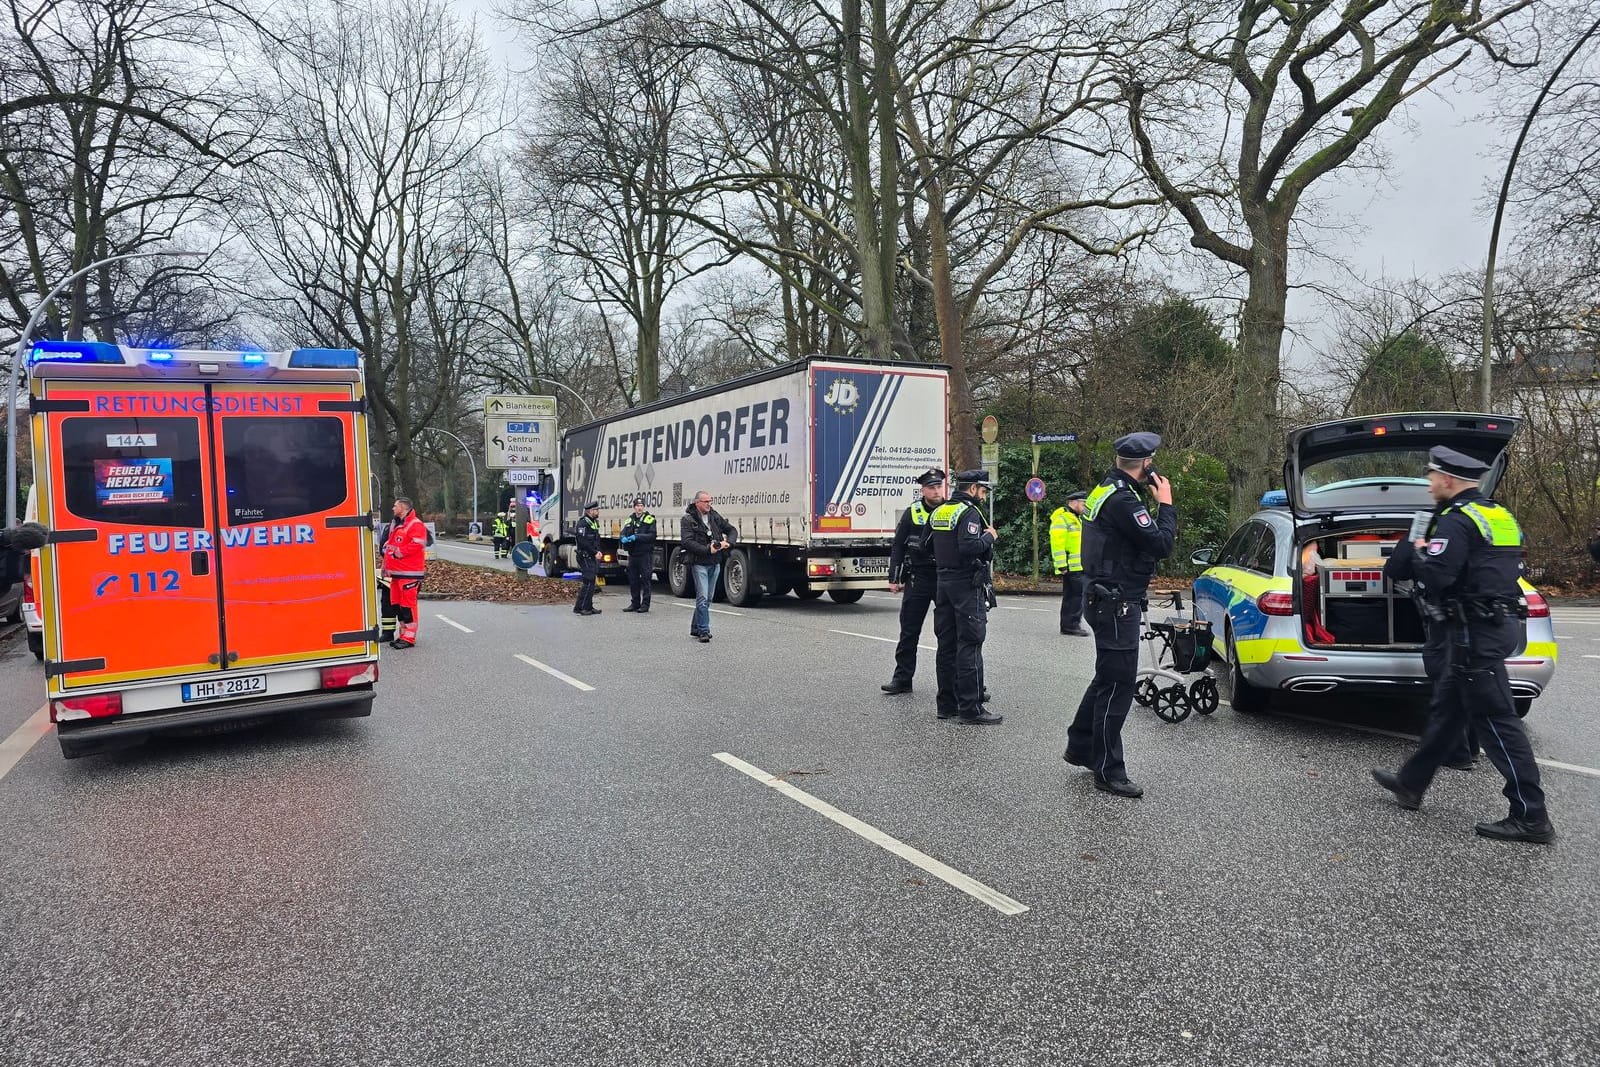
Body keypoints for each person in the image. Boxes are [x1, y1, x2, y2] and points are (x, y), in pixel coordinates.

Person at [1371, 446, 1555, 844]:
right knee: (1448, 711)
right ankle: (1410, 783)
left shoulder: (1455, 521)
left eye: (1432, 477)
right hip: (1496, 624)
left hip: (1474, 632)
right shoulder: (1498, 515)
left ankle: (1531, 816)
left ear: (1448, 481)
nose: (1429, 483)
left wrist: (1419, 553)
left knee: (1497, 722)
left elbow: (1437, 576)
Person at [1063, 432, 1177, 797]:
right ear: (1147, 464)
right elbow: (1161, 544)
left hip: (1101, 597)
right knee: (1119, 684)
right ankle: (1108, 771)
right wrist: (1166, 503)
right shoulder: (1125, 502)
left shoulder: (1102, 490)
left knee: (1106, 678)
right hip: (1116, 603)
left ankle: (1081, 747)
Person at [928, 469, 1001, 724]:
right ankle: (971, 708)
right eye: (982, 490)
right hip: (965, 584)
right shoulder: (968, 512)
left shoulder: (940, 511)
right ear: (972, 488)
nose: (983, 495)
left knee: (946, 645)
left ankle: (946, 704)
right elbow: (969, 547)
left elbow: (927, 545)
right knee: (970, 643)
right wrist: (988, 537)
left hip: (943, 583)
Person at [881, 468, 947, 695]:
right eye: (931, 487)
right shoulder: (913, 512)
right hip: (918, 577)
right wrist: (894, 578)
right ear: (923, 490)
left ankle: (965, 683)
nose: (936, 490)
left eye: (939, 486)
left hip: (944, 578)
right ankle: (902, 679)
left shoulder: (953, 510)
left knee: (951, 632)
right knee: (909, 631)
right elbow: (898, 546)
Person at [682, 490, 736, 643]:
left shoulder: (714, 515)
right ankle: (704, 631)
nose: (709, 504)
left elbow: (731, 530)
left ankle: (695, 627)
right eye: (705, 502)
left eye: (710, 501)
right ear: (697, 502)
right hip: (699, 563)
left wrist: (729, 543)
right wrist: (708, 549)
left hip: (715, 562)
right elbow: (687, 542)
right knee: (703, 597)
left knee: (708, 598)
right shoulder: (688, 519)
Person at [382, 497, 429, 649]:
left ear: (403, 507)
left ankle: (409, 638)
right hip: (396, 573)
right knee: (397, 605)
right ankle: (403, 635)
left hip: (409, 573)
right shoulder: (398, 525)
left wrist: (399, 553)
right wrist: (386, 564)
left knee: (408, 606)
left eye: (395, 506)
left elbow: (417, 544)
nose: (393, 508)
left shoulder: (415, 524)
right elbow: (391, 546)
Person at [1050, 490, 1088, 636]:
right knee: (1075, 596)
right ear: (1074, 502)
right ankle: (1071, 625)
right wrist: (1061, 565)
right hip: (1071, 566)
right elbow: (1057, 544)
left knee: (1073, 596)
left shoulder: (1076, 518)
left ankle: (1069, 625)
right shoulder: (1062, 519)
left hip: (1077, 565)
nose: (1085, 507)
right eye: (1083, 503)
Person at [620, 497, 658, 613]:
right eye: (637, 506)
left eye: (641, 506)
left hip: (644, 554)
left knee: (646, 579)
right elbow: (623, 533)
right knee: (633, 580)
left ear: (643, 507)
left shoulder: (649, 519)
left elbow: (652, 536)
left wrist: (637, 537)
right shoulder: (630, 520)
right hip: (633, 554)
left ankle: (645, 605)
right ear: (634, 507)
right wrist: (623, 538)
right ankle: (635, 603)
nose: (639, 508)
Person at [573, 501, 603, 616]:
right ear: (590, 511)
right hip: (585, 555)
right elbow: (583, 541)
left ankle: (583, 606)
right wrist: (594, 552)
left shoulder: (593, 522)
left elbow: (596, 539)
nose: (598, 512)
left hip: (590, 555)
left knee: (589, 581)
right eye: (596, 510)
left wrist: (598, 551)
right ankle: (584, 608)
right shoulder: (583, 523)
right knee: (589, 581)